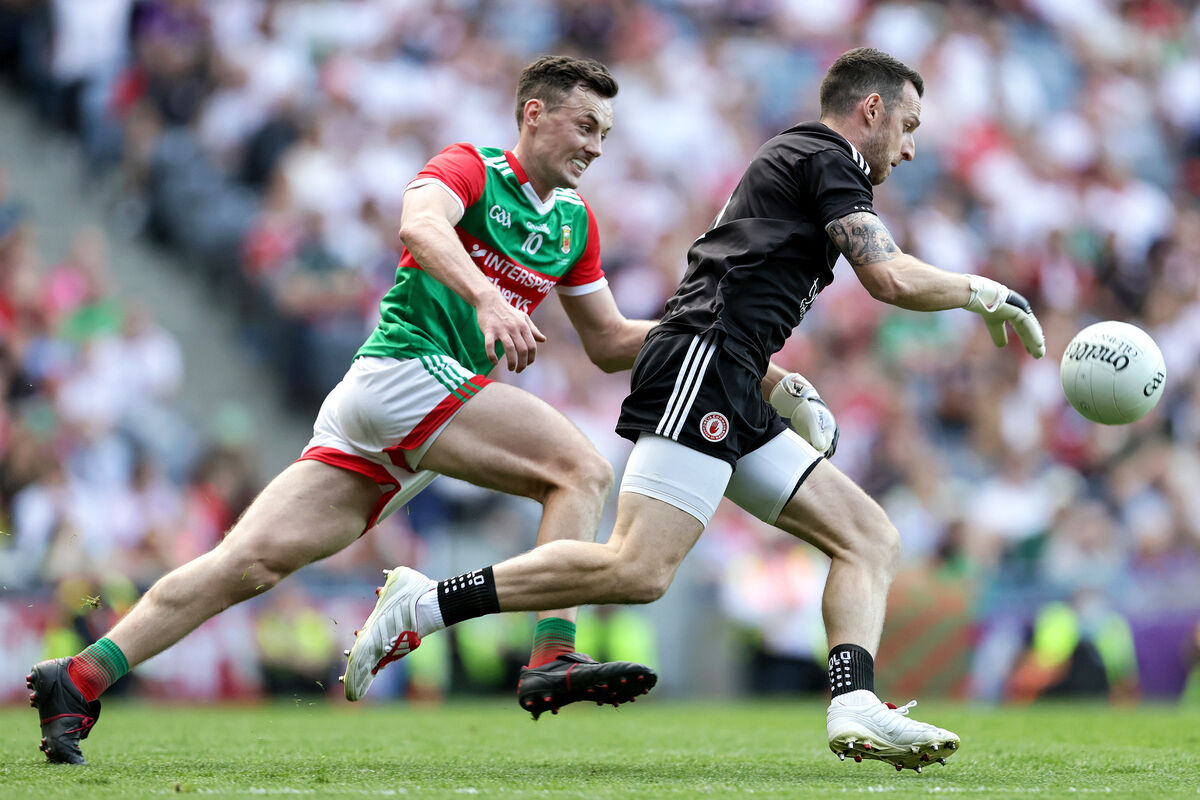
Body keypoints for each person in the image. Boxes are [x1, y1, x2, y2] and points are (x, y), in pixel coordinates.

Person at [344, 47, 1046, 773]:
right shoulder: (825, 153)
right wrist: (986, 291)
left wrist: (777, 384)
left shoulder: (808, 161)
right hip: (702, 365)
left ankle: (853, 702)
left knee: (868, 536)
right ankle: (423, 604)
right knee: (639, 570)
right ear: (870, 109)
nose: (908, 147)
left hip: (733, 373)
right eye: (906, 125)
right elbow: (889, 277)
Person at [27, 55, 660, 765]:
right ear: (534, 114)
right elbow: (419, 227)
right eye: (584, 126)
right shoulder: (473, 168)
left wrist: (706, 333)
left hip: (400, 416)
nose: (595, 147)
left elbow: (607, 342)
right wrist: (486, 297)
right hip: (405, 372)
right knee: (580, 471)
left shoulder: (575, 222)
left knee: (247, 564)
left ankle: (78, 677)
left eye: (604, 133)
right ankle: (553, 653)